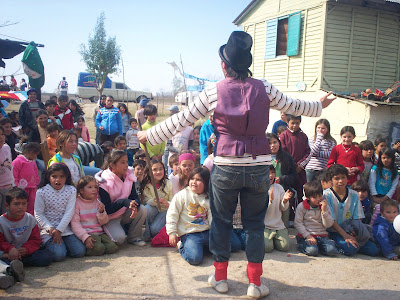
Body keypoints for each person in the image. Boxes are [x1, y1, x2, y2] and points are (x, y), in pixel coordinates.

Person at [137, 31, 335, 298]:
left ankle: (220, 279)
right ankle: (255, 283)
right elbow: (292, 104)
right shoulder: (263, 87)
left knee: (220, 222)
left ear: (224, 65)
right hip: (258, 167)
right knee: (255, 224)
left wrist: (148, 135)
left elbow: (183, 119)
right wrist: (318, 105)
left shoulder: (212, 92)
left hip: (226, 166)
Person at [34, 164, 86, 262]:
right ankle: (52, 247)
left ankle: (63, 246)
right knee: (59, 255)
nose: (58, 180)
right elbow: (38, 213)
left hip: (65, 229)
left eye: (61, 176)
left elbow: (69, 212)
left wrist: (59, 230)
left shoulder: (71, 190)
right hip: (48, 231)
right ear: (49, 177)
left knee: (80, 252)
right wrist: (51, 229)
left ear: (66, 177)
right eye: (54, 176)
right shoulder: (41, 192)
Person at [324, 164, 379, 256]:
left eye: (343, 177)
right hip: (334, 231)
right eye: (337, 178)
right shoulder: (326, 195)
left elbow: (357, 218)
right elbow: (331, 221)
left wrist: (353, 234)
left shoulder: (354, 194)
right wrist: (345, 235)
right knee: (350, 249)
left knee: (374, 250)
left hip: (351, 230)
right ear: (330, 180)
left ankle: (353, 245)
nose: (341, 181)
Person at [98, 150, 146, 246]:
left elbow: (134, 196)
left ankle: (134, 237)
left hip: (124, 213)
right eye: (122, 162)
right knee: (119, 239)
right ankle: (105, 232)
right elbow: (107, 209)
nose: (126, 165)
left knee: (142, 209)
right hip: (110, 218)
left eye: (127, 162)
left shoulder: (129, 176)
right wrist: (124, 202)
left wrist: (134, 205)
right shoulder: (104, 182)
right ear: (112, 165)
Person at [167, 167, 211, 265]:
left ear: (206, 183)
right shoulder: (181, 195)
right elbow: (172, 214)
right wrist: (172, 232)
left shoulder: (208, 197)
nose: (194, 182)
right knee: (195, 259)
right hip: (190, 234)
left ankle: (202, 247)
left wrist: (216, 234)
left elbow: (211, 218)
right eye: (192, 179)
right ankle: (182, 246)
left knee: (227, 248)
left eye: (198, 180)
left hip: (207, 232)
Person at [0, 188, 52, 267]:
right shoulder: (1, 222)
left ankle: (16, 263)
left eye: (23, 204)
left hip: (25, 252)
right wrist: (10, 249)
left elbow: (36, 240)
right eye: (16, 204)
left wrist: (26, 249)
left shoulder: (30, 219)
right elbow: (1, 242)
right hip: (9, 252)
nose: (20, 207)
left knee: (45, 257)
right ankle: (12, 264)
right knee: (4, 259)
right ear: (7, 206)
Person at [71, 176, 118, 256]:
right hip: (87, 233)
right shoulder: (77, 203)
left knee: (112, 247)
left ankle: (99, 247)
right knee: (99, 248)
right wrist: (85, 237)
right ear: (81, 190)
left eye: (95, 187)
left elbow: (104, 221)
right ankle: (89, 248)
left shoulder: (97, 202)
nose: (94, 190)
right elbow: (75, 224)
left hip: (99, 232)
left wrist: (101, 212)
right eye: (90, 187)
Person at [279, 114, 310, 222]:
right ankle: (289, 218)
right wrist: (292, 167)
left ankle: (299, 217)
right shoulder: (283, 136)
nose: (295, 125)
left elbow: (308, 153)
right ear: (287, 122)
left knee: (300, 194)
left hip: (300, 171)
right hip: (288, 171)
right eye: (293, 123)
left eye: (297, 123)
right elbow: (282, 153)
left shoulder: (304, 136)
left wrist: (300, 165)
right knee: (288, 194)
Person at [295, 181, 338, 256]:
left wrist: (324, 211)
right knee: (312, 251)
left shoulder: (325, 206)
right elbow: (298, 223)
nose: (318, 199)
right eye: (314, 197)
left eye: (320, 196)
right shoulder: (301, 207)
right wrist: (308, 236)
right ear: (308, 197)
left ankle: (319, 247)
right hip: (307, 236)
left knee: (332, 251)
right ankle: (302, 245)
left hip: (322, 236)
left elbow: (328, 224)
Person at [140, 159, 173, 239]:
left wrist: (166, 202)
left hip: (165, 211)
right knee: (147, 209)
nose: (158, 172)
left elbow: (173, 201)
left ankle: (153, 230)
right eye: (155, 170)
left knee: (155, 230)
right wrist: (155, 200)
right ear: (149, 172)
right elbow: (147, 200)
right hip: (153, 210)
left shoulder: (168, 183)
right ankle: (147, 232)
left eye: (160, 169)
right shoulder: (146, 185)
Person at [264, 165, 292, 253]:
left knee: (285, 247)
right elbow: (259, 210)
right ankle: (269, 239)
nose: (271, 176)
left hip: (278, 224)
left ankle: (275, 237)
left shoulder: (279, 188)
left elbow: (284, 208)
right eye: (268, 173)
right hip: (265, 225)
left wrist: (284, 200)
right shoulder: (260, 188)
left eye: (272, 173)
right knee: (267, 248)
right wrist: (270, 200)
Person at [12, 143, 41, 215]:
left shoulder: (32, 162)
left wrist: (36, 184)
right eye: (35, 154)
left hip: (32, 188)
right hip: (22, 189)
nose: (36, 156)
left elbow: (36, 173)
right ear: (31, 153)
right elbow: (14, 173)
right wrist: (16, 186)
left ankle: (31, 218)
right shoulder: (18, 161)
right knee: (22, 203)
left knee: (32, 204)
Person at [0, 126, 14, 214]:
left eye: (2, 134)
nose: (1, 137)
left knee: (6, 214)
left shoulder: (6, 147)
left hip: (8, 186)